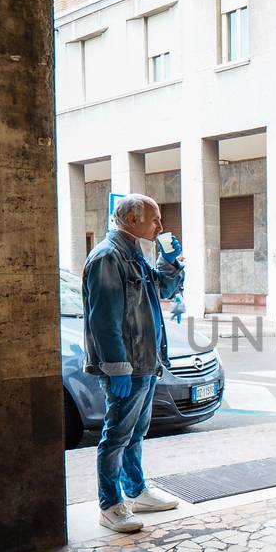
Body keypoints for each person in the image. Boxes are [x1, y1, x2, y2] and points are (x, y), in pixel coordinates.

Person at [82, 194, 186, 532]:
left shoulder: (134, 255)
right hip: (127, 366)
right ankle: (110, 504)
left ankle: (136, 490)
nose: (159, 226)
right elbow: (104, 320)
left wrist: (170, 262)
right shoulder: (107, 258)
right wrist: (116, 367)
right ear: (131, 220)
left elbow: (164, 290)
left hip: (145, 363)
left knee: (136, 431)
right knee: (116, 436)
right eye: (154, 219)